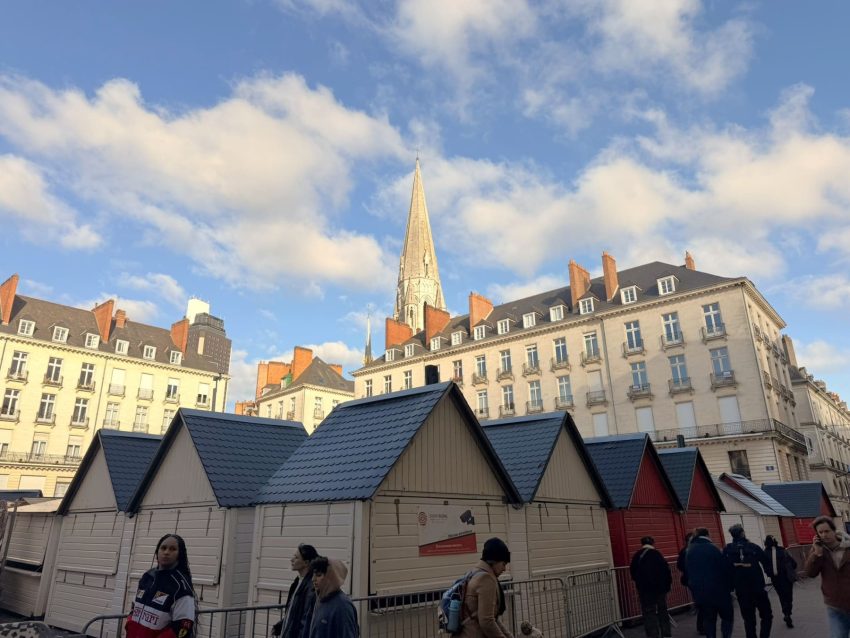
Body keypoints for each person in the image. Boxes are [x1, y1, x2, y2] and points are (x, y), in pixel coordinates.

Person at [126, 533, 197, 638]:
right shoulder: (147, 576)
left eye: (173, 549)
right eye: (163, 548)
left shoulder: (180, 587)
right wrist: (129, 625)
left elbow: (182, 627)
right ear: (157, 551)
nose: (166, 552)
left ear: (180, 554)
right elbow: (134, 607)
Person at [722, 524, 772, 638]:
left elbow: (725, 569)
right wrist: (769, 574)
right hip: (758, 587)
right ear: (743, 533)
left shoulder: (727, 549)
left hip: (741, 589)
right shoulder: (753, 547)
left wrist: (730, 586)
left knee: (748, 619)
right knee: (767, 615)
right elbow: (765, 561)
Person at [805, 515, 850, 638]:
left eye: (827, 531)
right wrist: (817, 554)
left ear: (834, 530)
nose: (824, 535)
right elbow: (810, 573)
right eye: (820, 532)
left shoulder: (848, 547)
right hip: (835, 606)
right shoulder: (817, 550)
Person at [459, 537, 514, 638]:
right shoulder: (486, 579)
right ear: (494, 560)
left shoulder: (474, 572)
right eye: (503, 564)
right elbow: (487, 622)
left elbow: (492, 618)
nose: (504, 569)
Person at [686, 528, 734, 638]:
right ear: (708, 534)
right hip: (719, 591)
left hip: (701, 593)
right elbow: (724, 569)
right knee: (727, 618)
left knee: (709, 620)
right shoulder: (713, 548)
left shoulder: (690, 550)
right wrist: (730, 586)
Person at [271, 544, 319, 638]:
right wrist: (282, 625)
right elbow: (294, 610)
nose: (291, 559)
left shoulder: (310, 586)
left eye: (296, 557)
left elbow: (305, 619)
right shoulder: (298, 581)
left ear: (306, 562)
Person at [629, 536, 672, 638]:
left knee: (649, 613)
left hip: (645, 590)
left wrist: (640, 584)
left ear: (642, 543)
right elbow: (666, 571)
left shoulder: (637, 555)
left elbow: (633, 573)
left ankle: (652, 635)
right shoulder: (658, 555)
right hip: (660, 589)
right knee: (663, 611)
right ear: (653, 543)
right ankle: (666, 633)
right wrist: (667, 586)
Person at [308, 556, 358, 638]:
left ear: (330, 577)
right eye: (313, 575)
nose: (313, 579)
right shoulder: (320, 600)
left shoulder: (343, 606)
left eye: (318, 575)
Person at [763, 535, 796, 628]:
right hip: (787, 578)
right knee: (789, 596)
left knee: (782, 596)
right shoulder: (782, 550)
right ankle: (788, 612)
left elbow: (765, 566)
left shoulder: (765, 553)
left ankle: (786, 613)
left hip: (776, 579)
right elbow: (794, 563)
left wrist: (770, 574)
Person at [677, 531, 704, 635]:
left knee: (700, 602)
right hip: (695, 580)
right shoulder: (691, 550)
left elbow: (679, 565)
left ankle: (702, 626)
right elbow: (680, 565)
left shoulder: (685, 551)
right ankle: (702, 626)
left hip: (692, 580)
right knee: (701, 602)